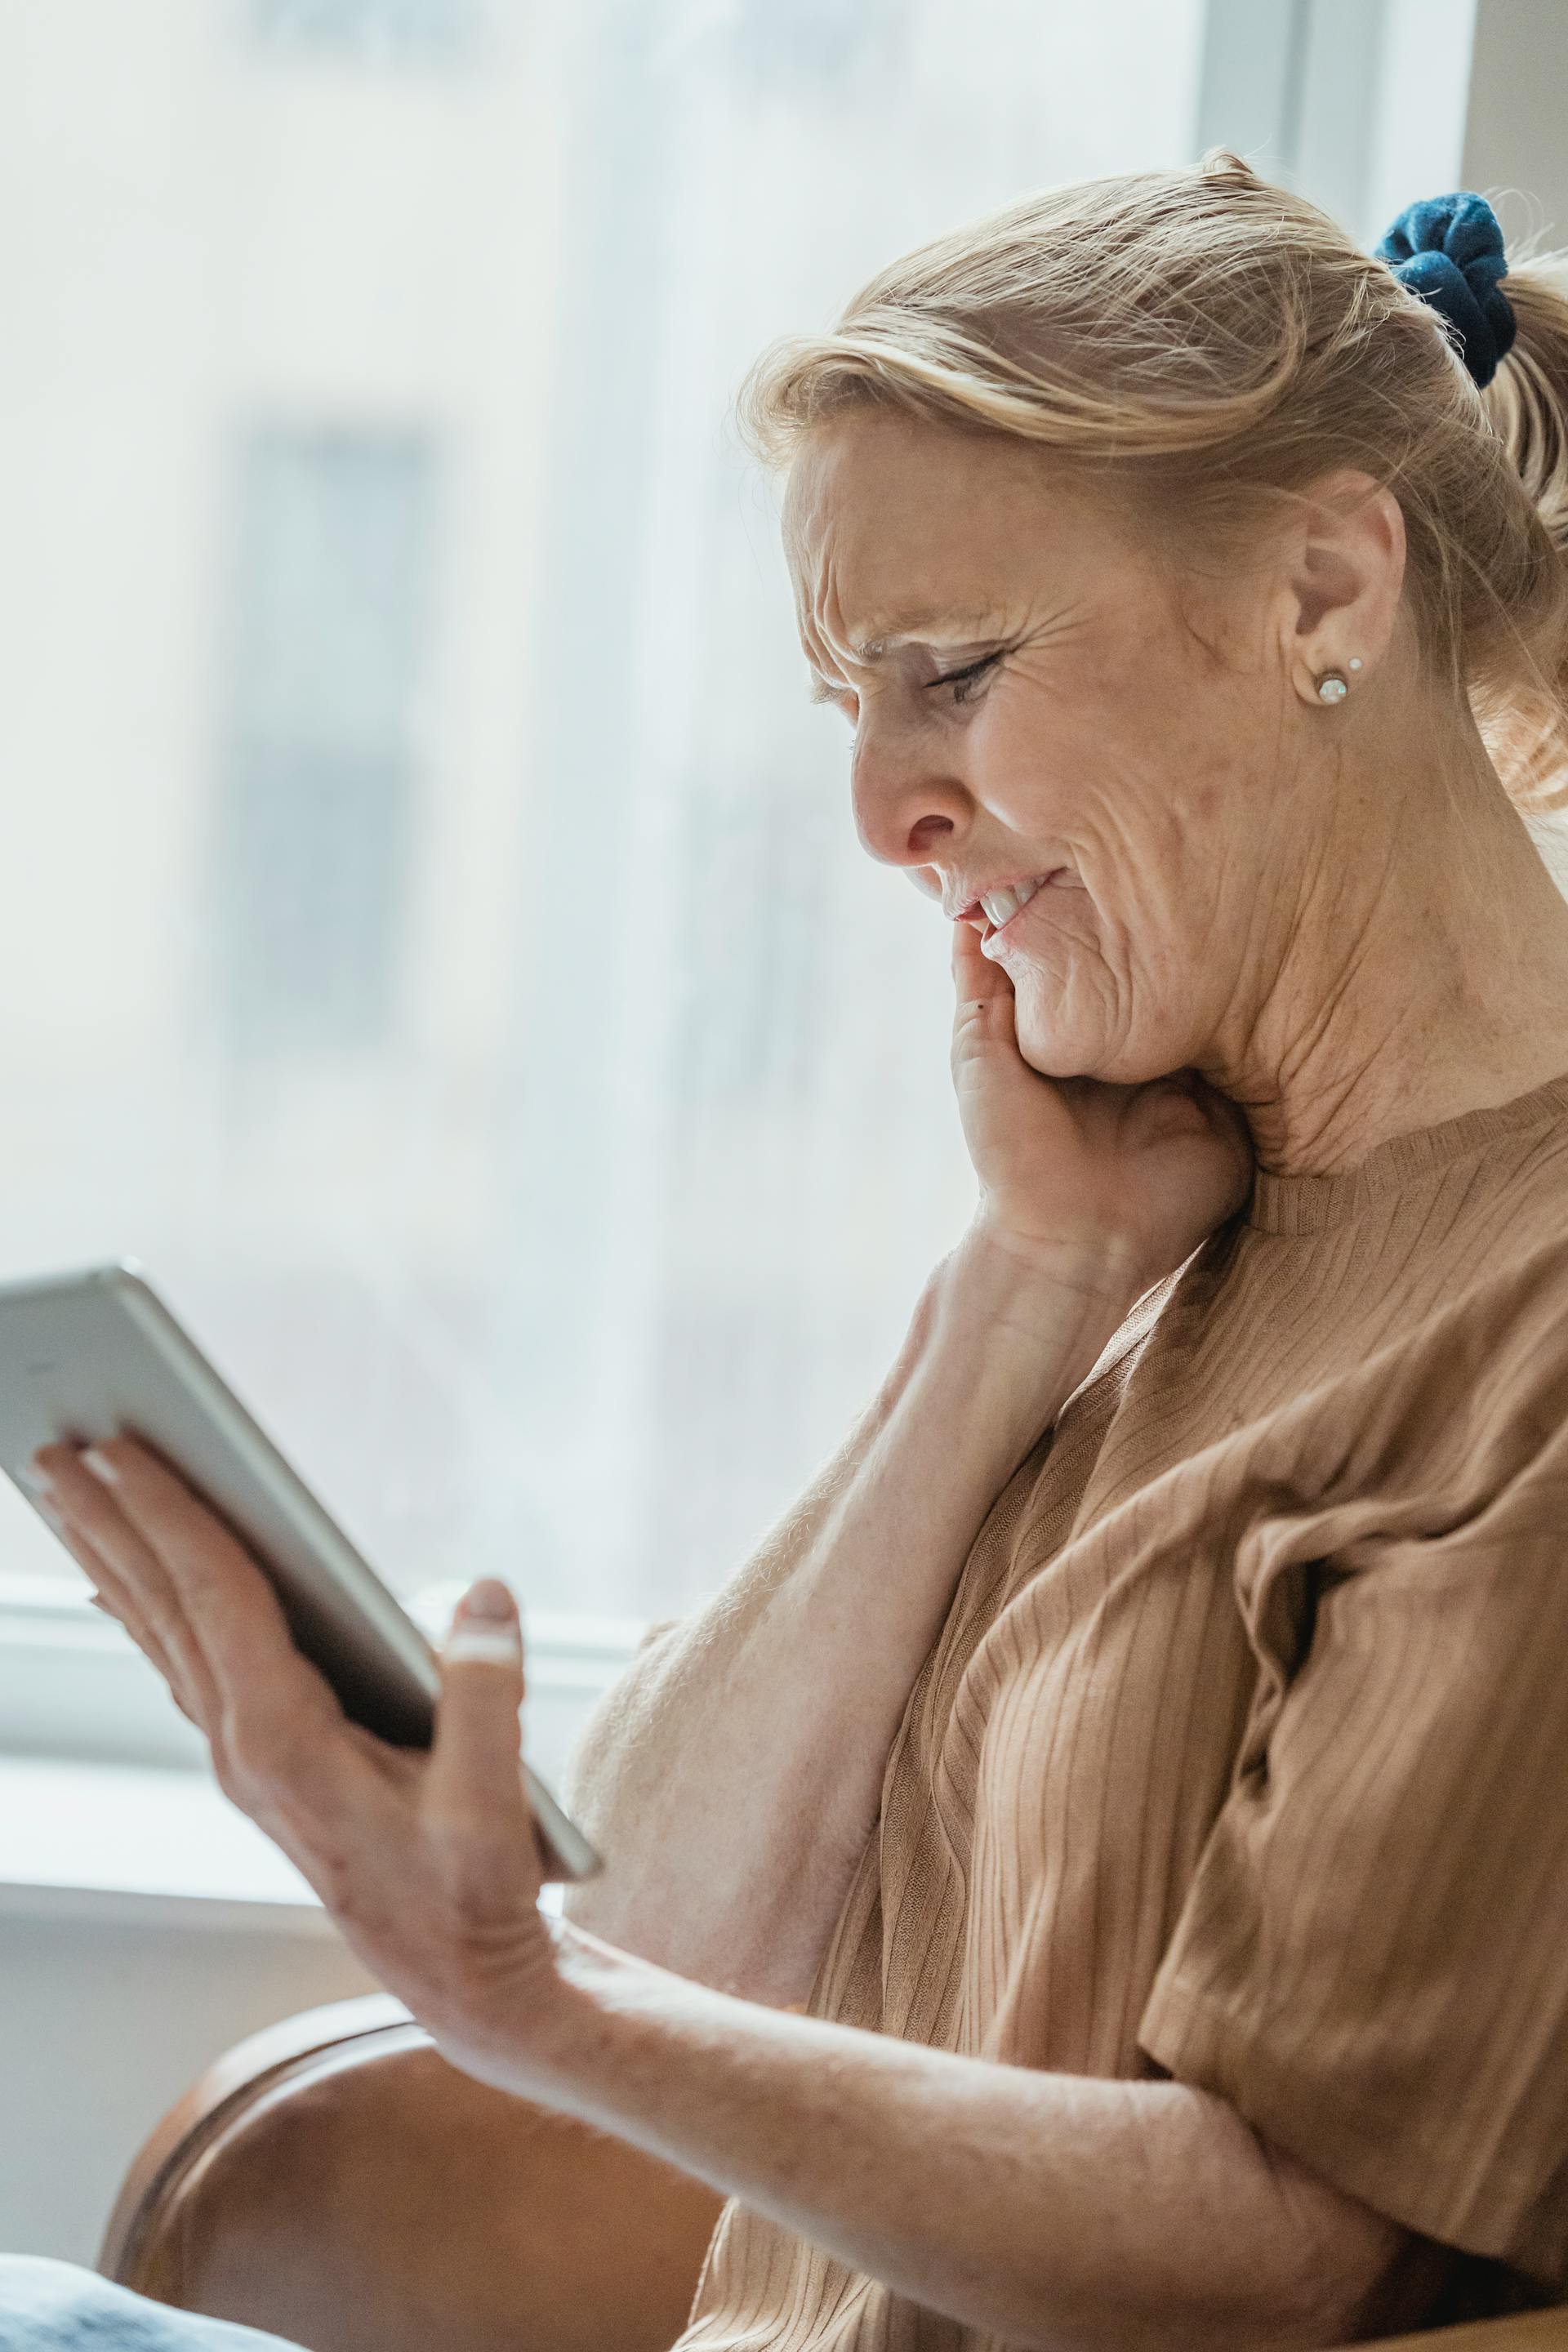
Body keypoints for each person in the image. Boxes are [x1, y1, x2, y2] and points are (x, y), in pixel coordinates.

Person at [7, 149, 1568, 2350]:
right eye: (854, 708)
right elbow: (672, 1925)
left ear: (1325, 583)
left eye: (948, 671)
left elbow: (1284, 2246)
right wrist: (1019, 1292)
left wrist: (522, 1996)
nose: (880, 816)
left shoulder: (1536, 1329)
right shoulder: (1168, 1206)